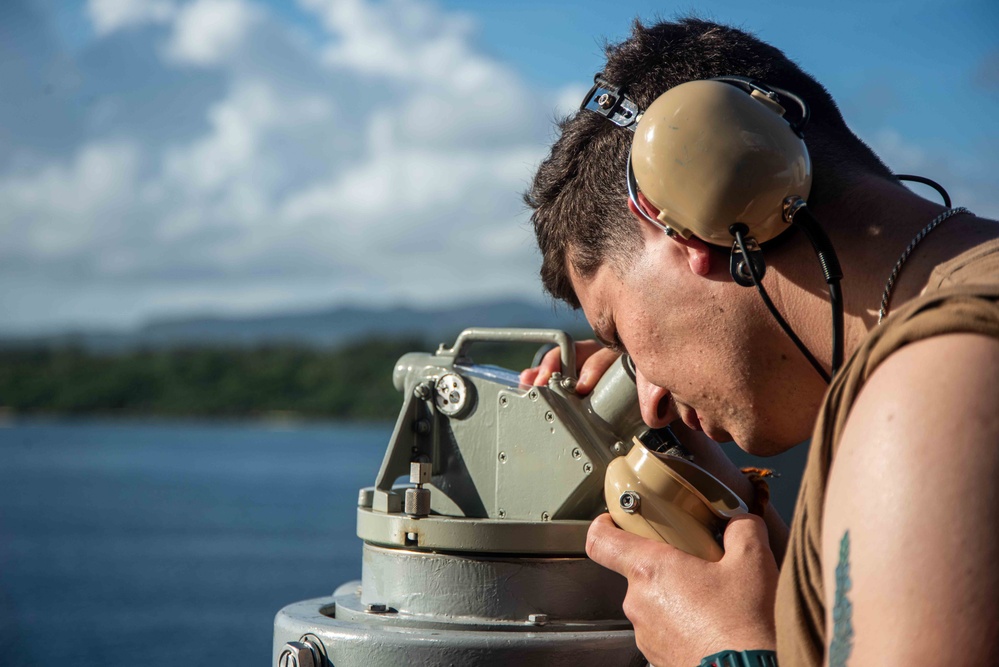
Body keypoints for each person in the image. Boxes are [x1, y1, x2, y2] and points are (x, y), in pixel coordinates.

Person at [519, 17, 999, 667]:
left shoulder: (934, 387)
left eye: (618, 331)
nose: (648, 397)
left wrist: (725, 650)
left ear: (680, 220)